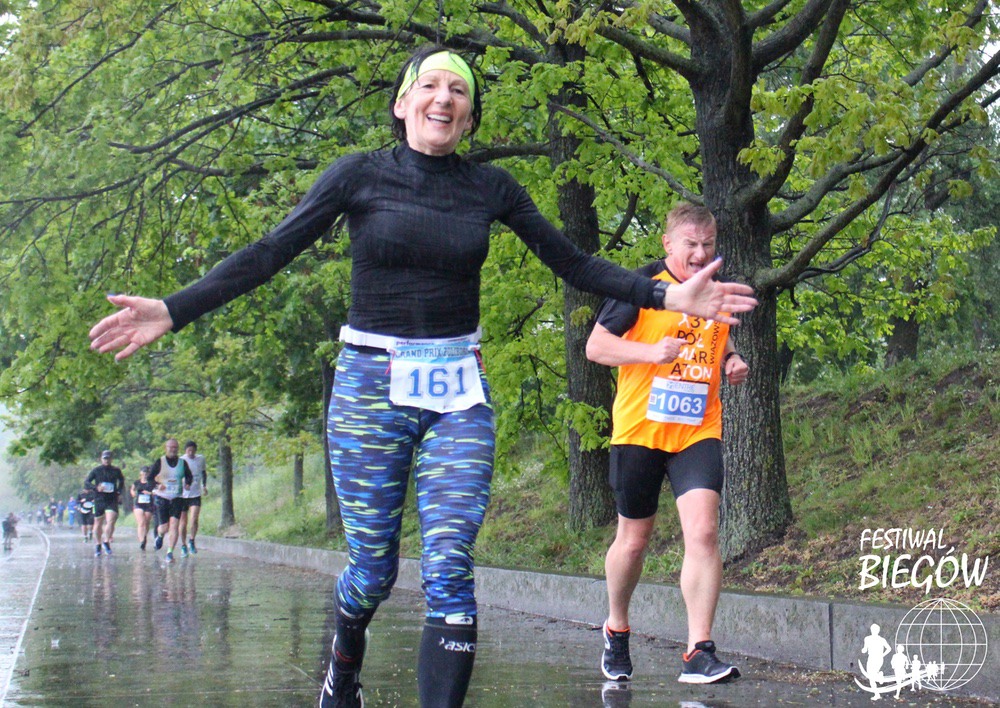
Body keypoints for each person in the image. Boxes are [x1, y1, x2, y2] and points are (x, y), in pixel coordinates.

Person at [88, 45, 757, 708]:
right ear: (403, 102)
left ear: (470, 117)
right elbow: (270, 251)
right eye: (431, 85)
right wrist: (174, 309)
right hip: (368, 385)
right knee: (372, 571)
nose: (444, 98)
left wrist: (667, 296)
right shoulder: (358, 175)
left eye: (459, 91)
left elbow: (575, 263)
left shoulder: (491, 187)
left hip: (458, 389)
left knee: (450, 563)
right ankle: (343, 663)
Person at [587, 204, 748, 685]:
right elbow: (596, 347)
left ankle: (698, 651)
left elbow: (717, 338)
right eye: (691, 245)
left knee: (704, 532)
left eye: (708, 245)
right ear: (668, 244)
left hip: (697, 430)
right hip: (640, 431)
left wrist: (732, 360)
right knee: (633, 541)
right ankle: (617, 628)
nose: (700, 254)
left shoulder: (717, 288)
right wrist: (650, 352)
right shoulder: (641, 287)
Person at [149, 438, 192, 563]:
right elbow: (150, 479)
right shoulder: (160, 462)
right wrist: (157, 486)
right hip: (162, 498)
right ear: (166, 448)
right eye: (171, 447)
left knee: (174, 525)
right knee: (164, 527)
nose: (173, 450)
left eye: (175, 447)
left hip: (177, 498)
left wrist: (188, 483)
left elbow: (189, 476)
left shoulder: (182, 463)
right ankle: (160, 536)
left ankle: (170, 553)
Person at [84, 450, 126, 557]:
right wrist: (96, 487)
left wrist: (119, 492)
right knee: (98, 522)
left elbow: (122, 481)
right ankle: (98, 544)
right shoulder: (96, 470)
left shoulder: (116, 470)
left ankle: (106, 541)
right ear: (101, 459)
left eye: (108, 458)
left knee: (111, 520)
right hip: (99, 499)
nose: (107, 460)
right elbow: (87, 482)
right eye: (105, 458)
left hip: (112, 498)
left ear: (111, 459)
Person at [179, 440, 207, 555]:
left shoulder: (201, 459)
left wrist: (204, 486)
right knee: (183, 522)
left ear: (195, 450)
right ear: (185, 451)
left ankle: (191, 540)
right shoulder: (181, 460)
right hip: (182, 495)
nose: (190, 453)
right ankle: (183, 545)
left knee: (194, 518)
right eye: (188, 451)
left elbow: (203, 473)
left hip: (195, 493)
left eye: (192, 451)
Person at [130, 465, 157, 550]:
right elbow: (132, 489)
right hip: (138, 504)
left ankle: (144, 537)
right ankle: (142, 541)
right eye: (143, 472)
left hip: (148, 504)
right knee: (141, 522)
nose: (145, 474)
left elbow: (157, 491)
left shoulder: (152, 482)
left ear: (149, 473)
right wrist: (133, 493)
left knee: (146, 522)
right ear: (141, 473)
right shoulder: (137, 482)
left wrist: (150, 493)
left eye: (146, 472)